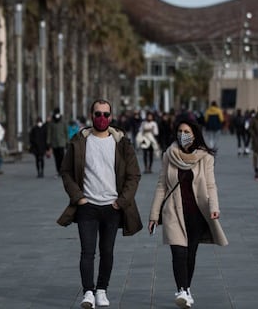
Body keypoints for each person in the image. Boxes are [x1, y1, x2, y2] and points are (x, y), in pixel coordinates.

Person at [57, 98, 143, 309]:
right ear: (91, 116)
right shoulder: (80, 142)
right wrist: (79, 197)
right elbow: (66, 172)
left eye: (106, 114)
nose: (102, 118)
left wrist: (121, 202)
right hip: (87, 206)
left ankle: (102, 290)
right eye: (98, 114)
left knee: (107, 251)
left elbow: (134, 175)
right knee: (87, 252)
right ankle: (88, 292)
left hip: (112, 207)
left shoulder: (121, 143)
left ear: (111, 117)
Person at [148, 118, 228, 309]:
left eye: (186, 132)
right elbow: (161, 185)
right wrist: (153, 215)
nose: (182, 135)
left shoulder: (205, 158)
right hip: (173, 212)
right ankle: (182, 290)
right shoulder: (169, 154)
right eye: (180, 131)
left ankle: (187, 288)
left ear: (194, 134)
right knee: (178, 252)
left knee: (190, 254)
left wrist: (214, 208)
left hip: (196, 213)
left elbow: (210, 185)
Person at [47, 108, 68, 177]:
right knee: (56, 158)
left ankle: (62, 170)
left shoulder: (63, 122)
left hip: (62, 142)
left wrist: (67, 142)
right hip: (54, 142)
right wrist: (48, 142)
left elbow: (66, 132)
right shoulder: (51, 122)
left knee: (61, 157)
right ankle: (58, 170)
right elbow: (49, 133)